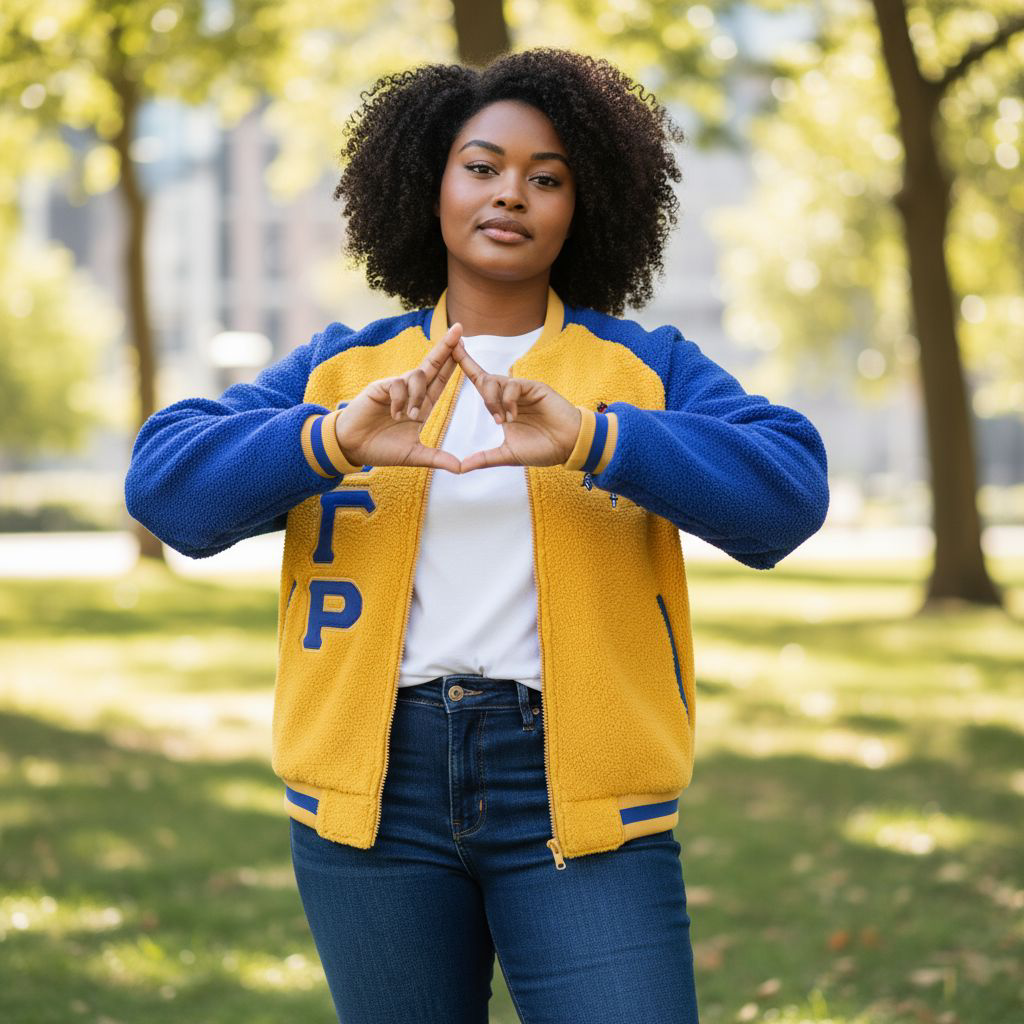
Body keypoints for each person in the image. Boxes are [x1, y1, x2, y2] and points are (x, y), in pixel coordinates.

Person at [125, 46, 829, 1024]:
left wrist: (593, 438)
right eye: (482, 166)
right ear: (429, 185)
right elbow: (165, 485)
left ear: (585, 206)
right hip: (375, 797)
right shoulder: (344, 370)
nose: (511, 194)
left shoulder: (645, 368)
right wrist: (333, 440)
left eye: (547, 178)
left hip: (582, 798)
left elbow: (789, 491)